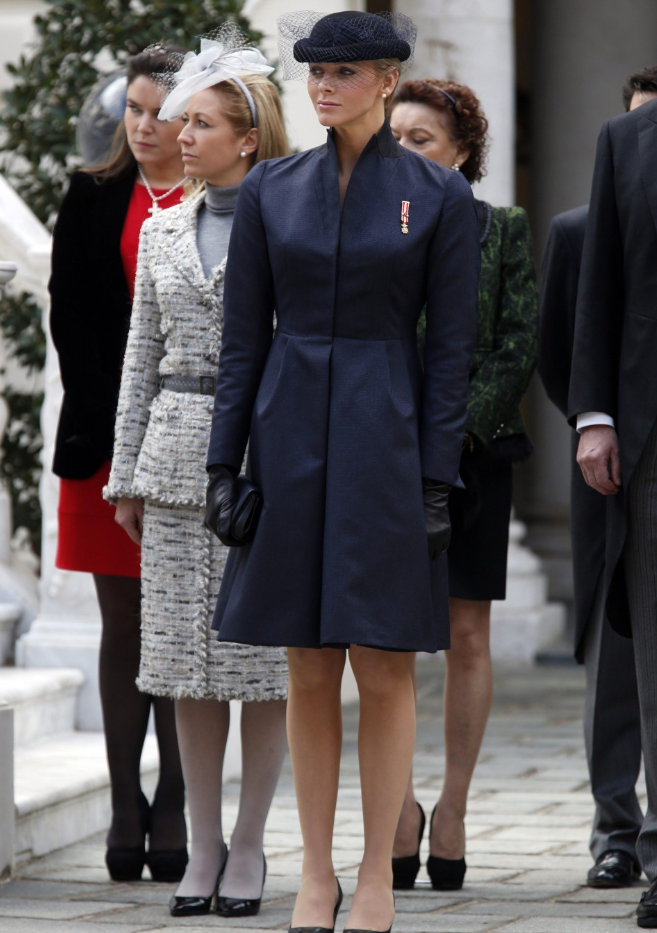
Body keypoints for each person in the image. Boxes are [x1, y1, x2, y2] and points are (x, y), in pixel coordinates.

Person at [204, 11, 480, 933]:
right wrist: (221, 463)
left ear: (388, 80)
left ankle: (374, 875)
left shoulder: (437, 198)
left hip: (388, 433)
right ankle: (313, 871)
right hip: (286, 432)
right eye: (315, 72)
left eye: (345, 72)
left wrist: (436, 479)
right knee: (308, 662)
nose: (323, 86)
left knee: (385, 660)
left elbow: (452, 356)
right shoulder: (272, 189)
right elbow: (241, 341)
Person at [104, 29, 289, 920]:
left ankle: (250, 843)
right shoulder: (165, 223)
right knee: (184, 666)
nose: (181, 135)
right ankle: (204, 843)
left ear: (247, 135)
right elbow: (140, 357)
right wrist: (125, 475)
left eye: (201, 123)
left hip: (267, 463)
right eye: (181, 122)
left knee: (262, 668)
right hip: (174, 459)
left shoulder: (289, 218)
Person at [389, 79, 538, 891]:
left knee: (466, 634)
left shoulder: (501, 229)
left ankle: (451, 808)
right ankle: (400, 806)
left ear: (460, 154)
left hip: (472, 456)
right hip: (384, 454)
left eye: (423, 139)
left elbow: (519, 342)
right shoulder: (374, 225)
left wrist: (451, 434)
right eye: (396, 137)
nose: (405, 150)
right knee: (389, 638)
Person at [49, 44, 189, 884]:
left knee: (180, 624)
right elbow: (75, 329)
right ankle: (123, 801)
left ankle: (176, 796)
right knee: (123, 626)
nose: (140, 125)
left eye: (159, 111)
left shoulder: (229, 200)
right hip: (100, 444)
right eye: (132, 108)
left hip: (192, 447)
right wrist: (119, 450)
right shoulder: (92, 195)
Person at [538, 69, 657, 890]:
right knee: (636, 651)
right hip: (646, 448)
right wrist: (595, 418)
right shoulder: (624, 145)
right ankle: (637, 841)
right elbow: (593, 307)